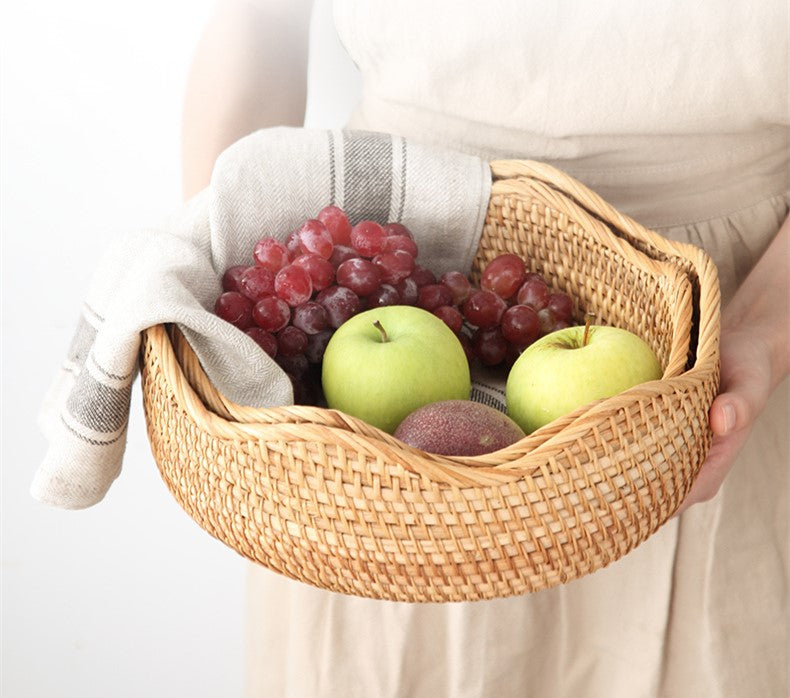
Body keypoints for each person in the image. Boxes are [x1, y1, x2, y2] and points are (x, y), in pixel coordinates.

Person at [181, 1, 789, 696]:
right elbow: (257, 23)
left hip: (719, 327)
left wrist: (762, 335)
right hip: (387, 321)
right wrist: (214, 277)